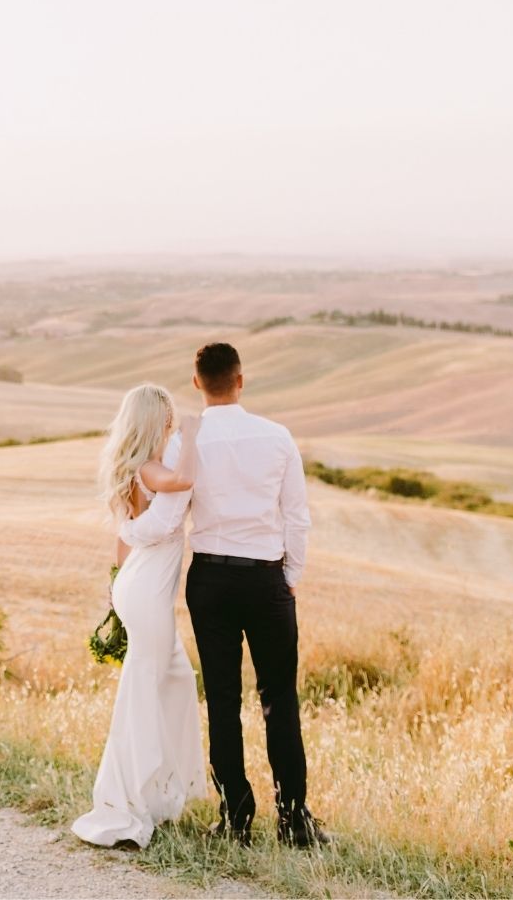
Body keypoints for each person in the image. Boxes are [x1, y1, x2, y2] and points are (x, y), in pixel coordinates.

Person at [121, 342, 325, 848]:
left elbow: (168, 519)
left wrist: (124, 528)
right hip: (266, 578)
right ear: (241, 379)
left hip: (210, 580)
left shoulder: (182, 446)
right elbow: (296, 514)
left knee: (223, 700)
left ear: (197, 384)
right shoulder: (277, 437)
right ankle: (294, 819)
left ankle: (235, 818)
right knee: (280, 699)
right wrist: (290, 574)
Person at [71, 384, 208, 848]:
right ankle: (126, 801)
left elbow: (122, 535)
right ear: (156, 421)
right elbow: (185, 481)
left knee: (172, 678)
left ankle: (154, 790)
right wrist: (191, 435)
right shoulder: (150, 469)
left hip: (137, 583)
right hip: (147, 589)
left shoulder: (132, 467)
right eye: (168, 418)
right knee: (144, 686)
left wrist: (115, 583)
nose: (172, 423)